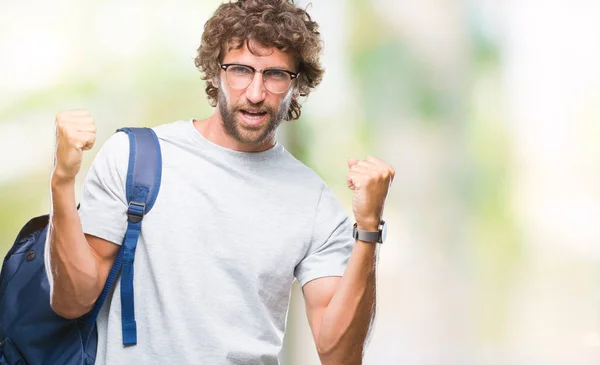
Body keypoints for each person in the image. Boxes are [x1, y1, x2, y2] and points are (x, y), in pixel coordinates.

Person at [47, 0, 395, 364]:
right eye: (241, 70)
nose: (257, 93)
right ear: (215, 72)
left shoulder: (314, 202)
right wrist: (62, 181)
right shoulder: (135, 157)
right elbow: (73, 301)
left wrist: (369, 229)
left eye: (275, 75)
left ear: (297, 85)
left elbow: (339, 355)